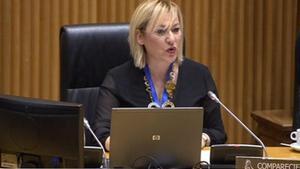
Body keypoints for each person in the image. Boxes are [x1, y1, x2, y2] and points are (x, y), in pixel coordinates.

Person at [93, 0, 227, 151]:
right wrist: (129, 145)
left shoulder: (199, 75)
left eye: (176, 30)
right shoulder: (117, 80)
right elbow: (100, 134)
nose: (171, 39)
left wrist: (201, 139)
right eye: (161, 32)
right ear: (140, 37)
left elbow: (218, 132)